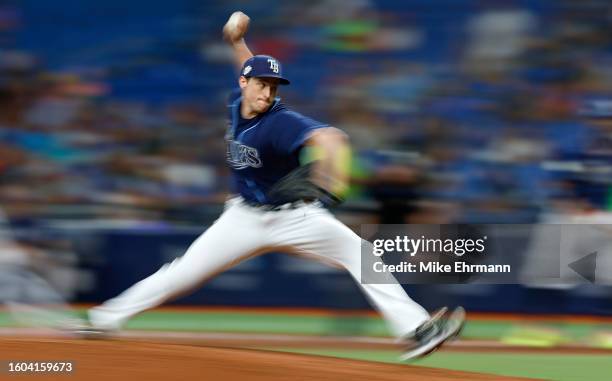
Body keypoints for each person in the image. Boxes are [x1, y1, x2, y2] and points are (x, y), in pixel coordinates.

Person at [86, 11, 464, 360]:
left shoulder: (281, 121)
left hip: (296, 217)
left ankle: (417, 330)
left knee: (362, 255)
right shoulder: (238, 103)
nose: (267, 93)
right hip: (243, 219)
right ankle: (104, 319)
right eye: (260, 85)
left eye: (273, 87)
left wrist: (331, 179)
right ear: (244, 83)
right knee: (181, 273)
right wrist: (237, 43)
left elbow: (332, 137)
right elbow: (246, 66)